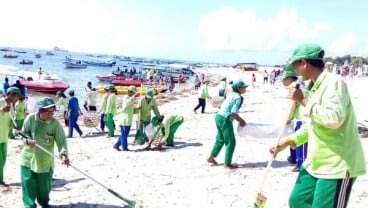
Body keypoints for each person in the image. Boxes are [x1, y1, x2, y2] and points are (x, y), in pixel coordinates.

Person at [269, 43, 366, 207]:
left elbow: (334, 119)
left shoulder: (333, 83)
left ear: (304, 63)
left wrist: (302, 100)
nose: (294, 70)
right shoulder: (311, 87)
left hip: (337, 163)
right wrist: (288, 141)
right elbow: (310, 126)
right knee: (298, 200)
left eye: (295, 65)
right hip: (316, 161)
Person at [20, 97, 70, 207]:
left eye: (53, 111)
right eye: (48, 112)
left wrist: (64, 154)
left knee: (44, 186)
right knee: (28, 184)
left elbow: (61, 141)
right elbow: (24, 133)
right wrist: (27, 140)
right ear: (40, 110)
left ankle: (44, 202)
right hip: (29, 159)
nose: (51, 114)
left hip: (45, 161)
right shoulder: (30, 119)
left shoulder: (54, 124)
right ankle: (29, 205)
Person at [207, 81, 248, 169]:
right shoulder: (238, 97)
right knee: (230, 142)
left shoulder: (231, 94)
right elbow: (233, 113)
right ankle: (227, 163)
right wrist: (241, 121)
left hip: (218, 116)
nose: (245, 89)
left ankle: (211, 157)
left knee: (220, 139)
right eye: (244, 87)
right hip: (225, 119)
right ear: (238, 89)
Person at [280, 70, 307, 172]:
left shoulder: (294, 86)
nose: (282, 82)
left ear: (289, 78)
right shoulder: (300, 84)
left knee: (300, 140)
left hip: (302, 117)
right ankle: (293, 157)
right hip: (301, 116)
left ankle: (300, 164)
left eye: (283, 80)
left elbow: (293, 104)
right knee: (294, 136)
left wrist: (289, 117)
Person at [0, 87, 21, 185]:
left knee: (3, 160)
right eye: (17, 96)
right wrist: (2, 110)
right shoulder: (1, 102)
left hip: (4, 137)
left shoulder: (12, 107)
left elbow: (9, 120)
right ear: (11, 94)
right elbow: (2, 112)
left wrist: (14, 126)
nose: (18, 99)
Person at [113, 86, 140, 151]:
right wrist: (134, 97)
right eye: (133, 92)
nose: (134, 94)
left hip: (128, 119)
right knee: (124, 135)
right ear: (129, 92)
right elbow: (127, 103)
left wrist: (138, 109)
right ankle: (124, 148)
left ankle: (116, 145)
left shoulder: (131, 99)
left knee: (124, 134)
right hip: (124, 120)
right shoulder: (126, 98)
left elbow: (131, 110)